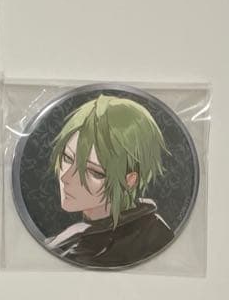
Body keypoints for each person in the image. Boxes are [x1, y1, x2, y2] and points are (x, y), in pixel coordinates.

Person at [46, 94, 174, 268]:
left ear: (129, 181)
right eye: (67, 158)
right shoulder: (77, 235)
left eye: (94, 171)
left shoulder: (149, 236)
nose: (66, 177)